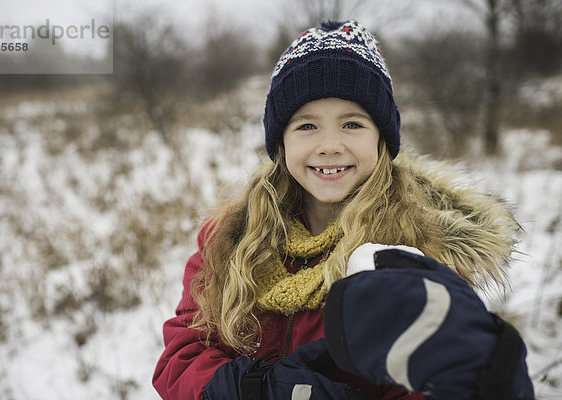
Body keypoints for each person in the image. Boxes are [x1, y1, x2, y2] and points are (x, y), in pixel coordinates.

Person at [152, 20, 532, 399]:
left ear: (382, 139)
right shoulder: (231, 237)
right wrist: (257, 388)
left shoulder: (415, 249)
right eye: (306, 126)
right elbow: (180, 360)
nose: (330, 145)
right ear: (280, 142)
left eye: (352, 123)